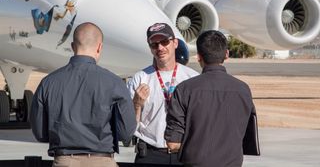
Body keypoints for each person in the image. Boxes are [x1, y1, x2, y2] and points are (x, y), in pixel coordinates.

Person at [30, 22, 136, 167]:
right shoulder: (115, 83)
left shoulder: (48, 83)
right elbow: (126, 134)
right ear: (100, 47)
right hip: (102, 161)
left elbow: (40, 134)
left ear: (73, 46)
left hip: (64, 161)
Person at [165, 30, 256, 167]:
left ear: (199, 57)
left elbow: (173, 144)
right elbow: (247, 137)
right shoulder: (243, 90)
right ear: (226, 54)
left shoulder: (184, 89)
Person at [127, 23, 199, 165]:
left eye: (165, 42)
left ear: (175, 43)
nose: (160, 48)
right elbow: (128, 129)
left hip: (185, 153)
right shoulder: (140, 78)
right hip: (150, 154)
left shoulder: (192, 78)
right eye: (154, 44)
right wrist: (136, 105)